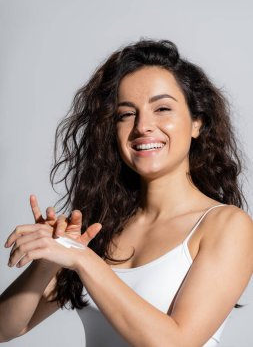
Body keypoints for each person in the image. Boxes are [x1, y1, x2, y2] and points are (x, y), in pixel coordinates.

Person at [0, 39, 253, 347]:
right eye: (125, 114)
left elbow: (176, 342)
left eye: (162, 109)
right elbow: (6, 328)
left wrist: (84, 260)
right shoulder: (101, 227)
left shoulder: (227, 225)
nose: (143, 126)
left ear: (197, 123)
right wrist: (48, 258)